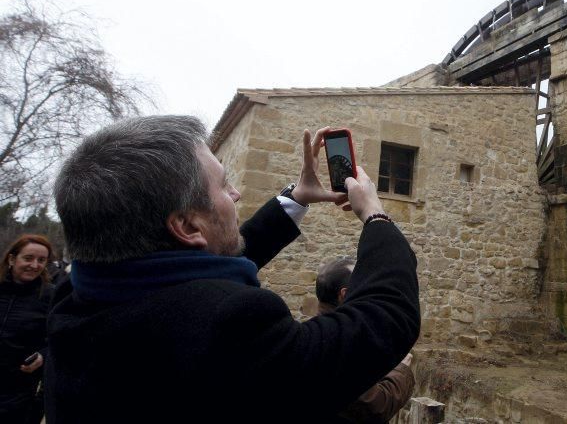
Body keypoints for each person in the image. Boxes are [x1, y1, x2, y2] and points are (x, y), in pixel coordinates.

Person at [45, 115, 420, 424]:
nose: (236, 194)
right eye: (224, 186)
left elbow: (199, 268)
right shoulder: (227, 327)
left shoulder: (75, 297)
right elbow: (384, 317)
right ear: (188, 226)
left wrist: (296, 197)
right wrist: (374, 214)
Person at [316, 257, 415, 423]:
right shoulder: (336, 346)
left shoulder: (318, 332)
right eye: (364, 284)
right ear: (345, 295)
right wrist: (401, 370)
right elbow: (375, 408)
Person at [0, 234, 54, 424]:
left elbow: (60, 341)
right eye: (28, 258)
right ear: (12, 259)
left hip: (19, 392)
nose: (35, 265)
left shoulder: (51, 296)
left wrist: (42, 356)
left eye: (41, 260)